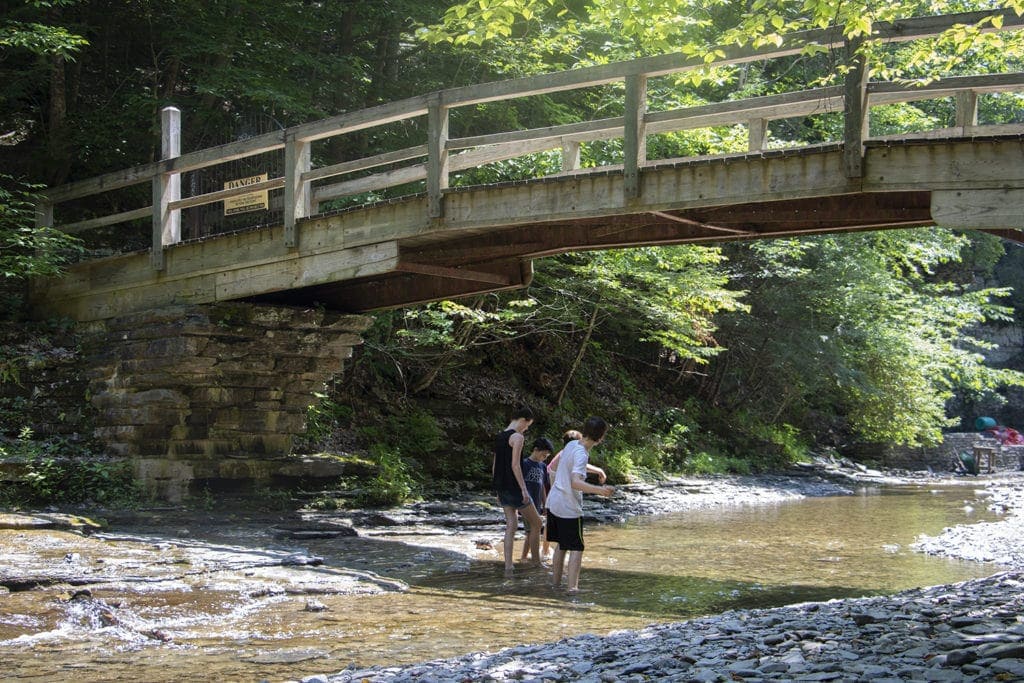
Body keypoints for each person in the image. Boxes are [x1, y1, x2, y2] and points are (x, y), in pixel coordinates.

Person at [545, 416, 614, 593]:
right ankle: (573, 589)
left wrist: (596, 469)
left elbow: (566, 465)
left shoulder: (571, 445)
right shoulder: (582, 453)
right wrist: (600, 490)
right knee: (576, 547)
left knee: (561, 544)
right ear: (601, 438)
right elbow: (575, 482)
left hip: (554, 501)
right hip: (568, 506)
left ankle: (556, 584)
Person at [491, 406, 544, 577]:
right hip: (515, 488)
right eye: (528, 425)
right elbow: (515, 465)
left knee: (511, 525)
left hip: (502, 487)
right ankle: (536, 562)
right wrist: (524, 489)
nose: (527, 428)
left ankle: (508, 566)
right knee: (537, 523)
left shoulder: (500, 437)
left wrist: (497, 489)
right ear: (523, 420)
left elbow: (495, 465)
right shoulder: (517, 437)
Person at [519, 436, 554, 566]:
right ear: (535, 450)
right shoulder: (524, 464)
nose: (544, 458)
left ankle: (526, 556)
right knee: (531, 530)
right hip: (526, 503)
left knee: (532, 530)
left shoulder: (543, 467)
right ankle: (526, 557)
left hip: (537, 503)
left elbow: (543, 487)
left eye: (547, 456)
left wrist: (545, 504)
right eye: (543, 455)